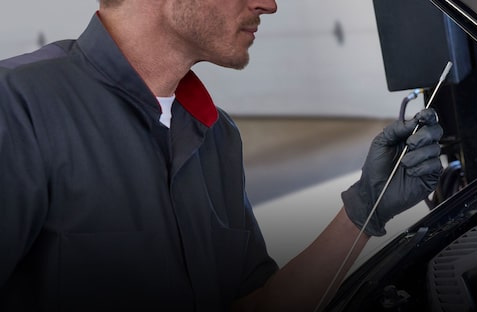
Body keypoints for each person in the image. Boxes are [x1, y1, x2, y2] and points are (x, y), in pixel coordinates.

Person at [0, 0, 443, 311]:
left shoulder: (217, 136)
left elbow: (254, 305)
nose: (268, 4)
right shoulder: (18, 107)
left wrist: (365, 207)